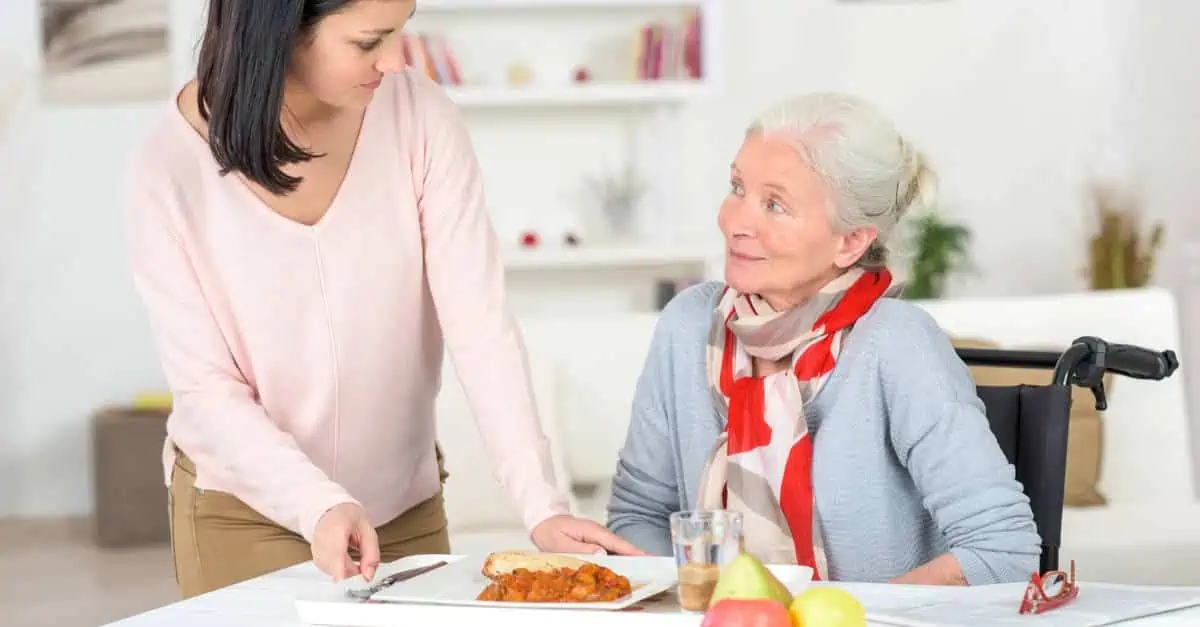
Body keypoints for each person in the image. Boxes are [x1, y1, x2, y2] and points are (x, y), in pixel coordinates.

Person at [124, 0, 641, 599]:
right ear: (280, 33)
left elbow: (480, 324)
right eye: (369, 42)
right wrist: (318, 503)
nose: (397, 61)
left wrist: (541, 505)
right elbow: (207, 390)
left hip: (403, 508)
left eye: (403, 30)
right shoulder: (167, 168)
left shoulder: (421, 118)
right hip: (246, 509)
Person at [606, 93, 1041, 585]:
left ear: (851, 241)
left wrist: (835, 619)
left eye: (774, 204)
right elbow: (636, 517)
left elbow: (1004, 552)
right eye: (737, 188)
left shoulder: (897, 345)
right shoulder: (687, 325)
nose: (735, 222)